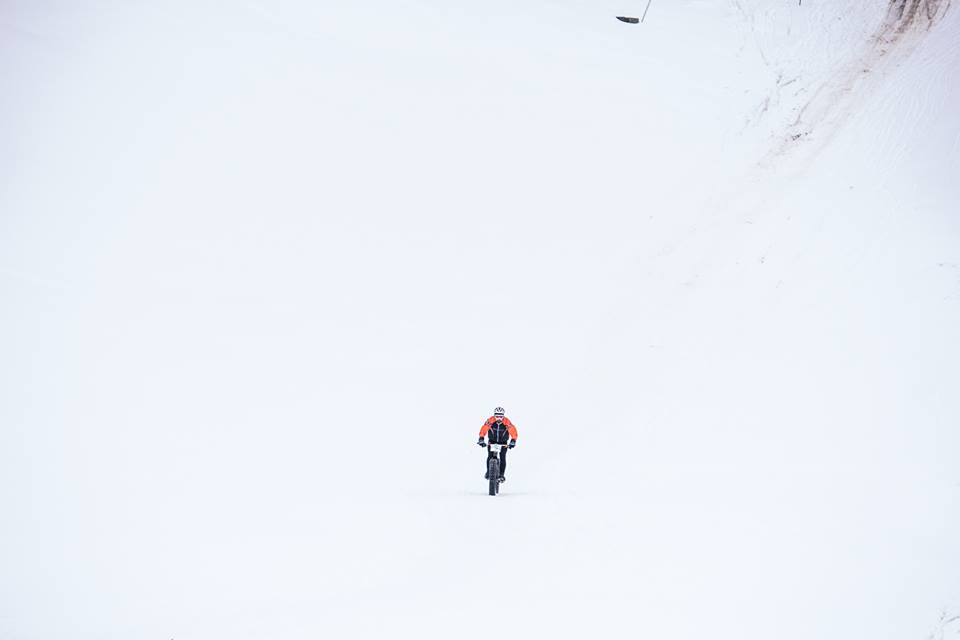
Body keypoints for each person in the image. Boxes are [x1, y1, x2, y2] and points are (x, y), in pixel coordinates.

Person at [477, 407, 518, 482]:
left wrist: (513, 440)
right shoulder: (490, 421)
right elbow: (484, 429)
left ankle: (501, 475)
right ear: (494, 415)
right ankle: (488, 472)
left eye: (501, 416)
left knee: (503, 457)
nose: (499, 418)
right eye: (497, 416)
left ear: (503, 416)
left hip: (503, 443)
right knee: (490, 456)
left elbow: (513, 431)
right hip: (492, 441)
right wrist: (481, 438)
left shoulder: (507, 422)